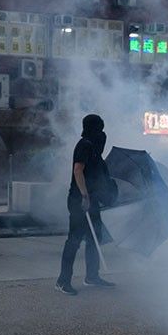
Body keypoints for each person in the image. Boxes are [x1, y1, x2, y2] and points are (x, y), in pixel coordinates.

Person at [56, 114, 116, 296]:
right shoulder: (85, 145)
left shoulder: (95, 148)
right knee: (74, 240)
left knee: (94, 238)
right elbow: (78, 170)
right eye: (100, 128)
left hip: (92, 200)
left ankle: (92, 276)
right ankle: (62, 281)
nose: (102, 133)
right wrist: (84, 196)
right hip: (79, 200)